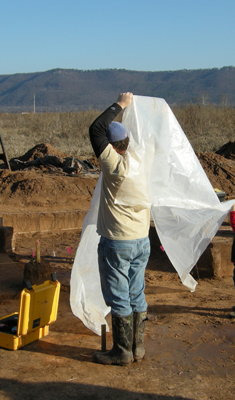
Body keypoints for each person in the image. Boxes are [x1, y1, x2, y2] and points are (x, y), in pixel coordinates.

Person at [88, 92, 151, 366]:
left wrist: (120, 105)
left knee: (119, 296)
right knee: (137, 292)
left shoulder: (114, 166)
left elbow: (96, 129)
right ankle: (138, 348)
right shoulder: (142, 161)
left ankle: (122, 351)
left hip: (118, 242)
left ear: (112, 147)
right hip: (142, 240)